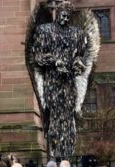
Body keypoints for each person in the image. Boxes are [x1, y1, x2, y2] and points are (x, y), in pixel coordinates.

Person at [33, 0, 87, 157]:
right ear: (57, 13)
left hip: (69, 81)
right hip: (52, 80)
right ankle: (55, 154)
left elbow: (80, 56)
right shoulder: (45, 30)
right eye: (63, 15)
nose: (65, 19)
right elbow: (38, 56)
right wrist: (55, 61)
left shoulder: (77, 33)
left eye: (68, 17)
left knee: (69, 116)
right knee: (55, 114)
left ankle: (67, 155)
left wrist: (78, 63)